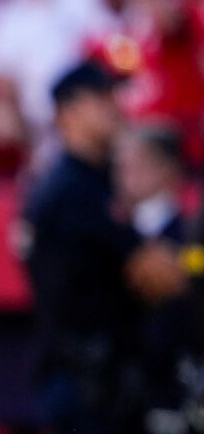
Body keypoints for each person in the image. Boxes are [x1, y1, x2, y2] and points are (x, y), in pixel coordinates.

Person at [23, 62, 184, 433]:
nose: (116, 105)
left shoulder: (98, 180)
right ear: (69, 112)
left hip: (107, 378)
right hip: (86, 383)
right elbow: (159, 277)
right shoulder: (74, 189)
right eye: (101, 97)